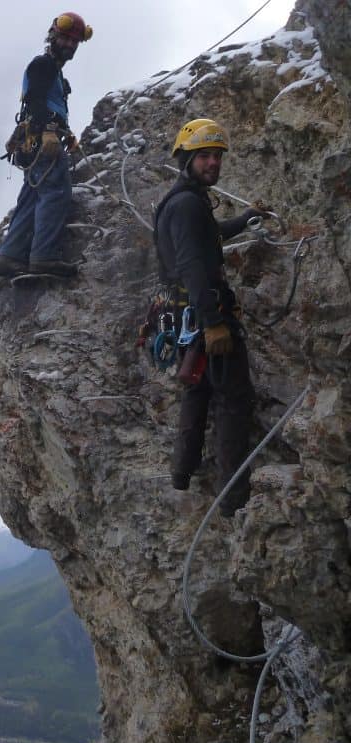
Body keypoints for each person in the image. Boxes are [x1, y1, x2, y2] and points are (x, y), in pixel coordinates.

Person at [154, 118, 266, 515]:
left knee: (198, 389)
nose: (213, 163)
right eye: (204, 156)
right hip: (205, 312)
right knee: (234, 400)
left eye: (217, 156)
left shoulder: (185, 200)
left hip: (187, 314)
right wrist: (214, 322)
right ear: (187, 159)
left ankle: (182, 472)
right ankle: (232, 500)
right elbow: (191, 263)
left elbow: (209, 236)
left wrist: (247, 218)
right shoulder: (187, 204)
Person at [0, 11, 91, 278]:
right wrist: (48, 131)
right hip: (42, 140)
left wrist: (64, 132)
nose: (70, 45)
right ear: (53, 36)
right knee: (56, 192)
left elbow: (44, 103)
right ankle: (44, 257)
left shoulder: (54, 72)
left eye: (74, 41)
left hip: (35, 141)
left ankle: (10, 255)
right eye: (66, 38)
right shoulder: (43, 65)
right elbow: (35, 100)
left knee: (32, 197)